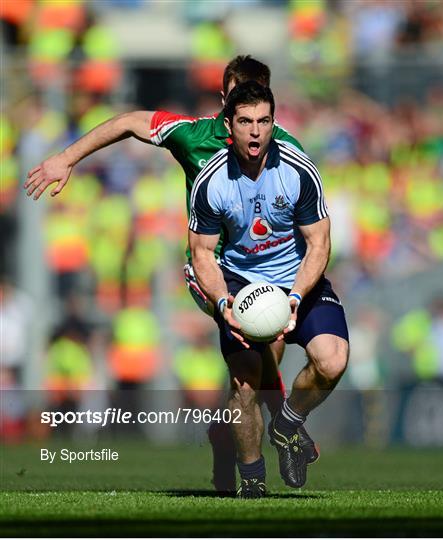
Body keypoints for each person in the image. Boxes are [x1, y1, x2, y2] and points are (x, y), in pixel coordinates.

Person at [23, 55, 318, 493]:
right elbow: (129, 121)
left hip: (264, 272)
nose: (251, 117)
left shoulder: (283, 146)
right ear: (225, 99)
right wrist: (66, 157)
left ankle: (227, 434)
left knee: (254, 369)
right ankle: (277, 438)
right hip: (211, 270)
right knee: (258, 348)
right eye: (239, 97)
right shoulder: (193, 135)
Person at [189, 81, 349, 498]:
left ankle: (287, 424)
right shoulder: (210, 182)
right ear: (230, 125)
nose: (255, 131)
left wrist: (295, 297)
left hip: (298, 279)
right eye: (245, 122)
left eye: (263, 121)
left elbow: (319, 242)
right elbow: (202, 254)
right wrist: (223, 302)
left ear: (274, 124)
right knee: (245, 383)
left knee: (332, 361)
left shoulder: (298, 170)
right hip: (242, 285)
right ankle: (253, 482)